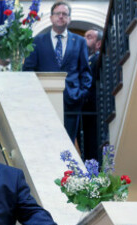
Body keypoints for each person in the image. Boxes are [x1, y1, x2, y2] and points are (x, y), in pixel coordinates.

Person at [24, 1, 92, 144]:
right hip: (44, 101)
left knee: (67, 143)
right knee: (46, 143)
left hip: (72, 101)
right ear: (51, 17)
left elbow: (85, 71)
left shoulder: (79, 41)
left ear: (69, 19)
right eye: (57, 14)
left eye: (64, 14)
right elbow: (28, 70)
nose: (61, 17)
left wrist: (81, 94)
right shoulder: (37, 41)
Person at [81, 28, 103, 161]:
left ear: (99, 43)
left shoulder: (98, 59)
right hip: (85, 109)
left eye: (89, 37)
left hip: (94, 107)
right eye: (84, 36)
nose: (84, 39)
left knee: (93, 142)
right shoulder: (86, 59)